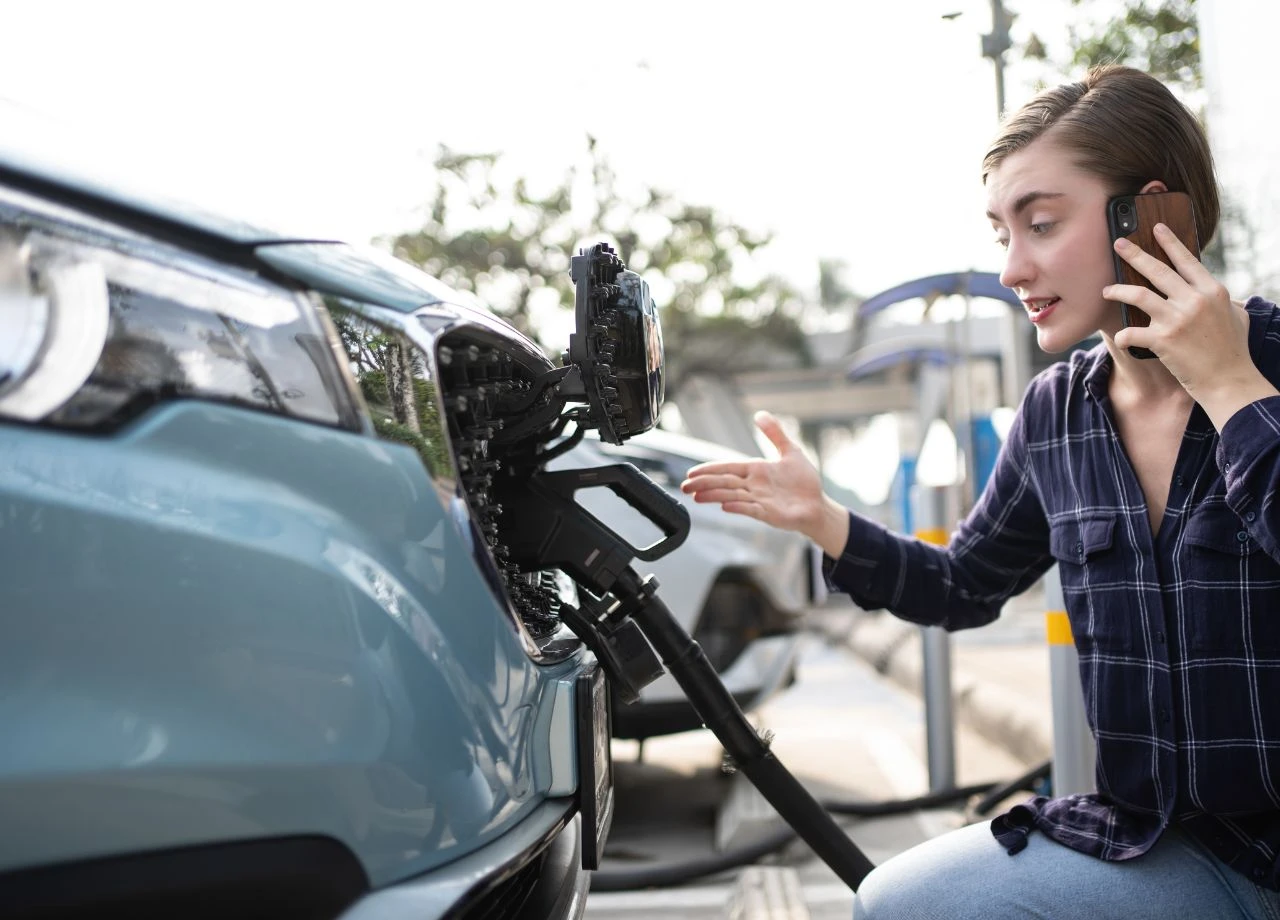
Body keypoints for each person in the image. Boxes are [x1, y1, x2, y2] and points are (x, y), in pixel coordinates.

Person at [681, 64, 1280, 919]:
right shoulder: (1056, 415)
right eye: (1002, 232)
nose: (1011, 268)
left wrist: (1228, 383)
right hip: (1172, 847)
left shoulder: (1273, 366)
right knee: (898, 902)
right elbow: (962, 585)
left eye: (1040, 224)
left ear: (1151, 216)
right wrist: (825, 520)